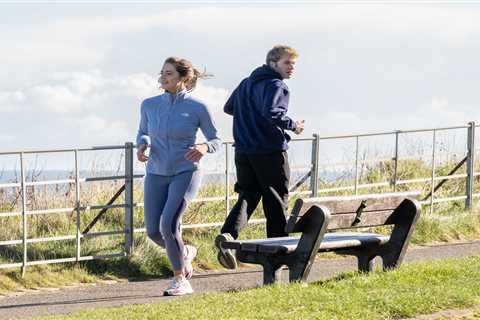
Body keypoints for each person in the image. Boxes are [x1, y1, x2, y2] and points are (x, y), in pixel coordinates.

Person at [136, 57, 221, 296]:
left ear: (184, 78)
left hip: (186, 171)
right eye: (162, 72)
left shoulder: (197, 107)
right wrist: (142, 145)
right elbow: (142, 132)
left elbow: (216, 140)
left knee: (169, 225)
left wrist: (204, 148)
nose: (162, 77)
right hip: (155, 171)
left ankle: (180, 279)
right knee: (153, 231)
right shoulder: (149, 104)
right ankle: (184, 252)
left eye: (169, 74)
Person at [215, 45, 304, 269]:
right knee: (276, 200)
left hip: (244, 150)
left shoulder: (247, 82)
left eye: (293, 64)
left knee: (248, 195)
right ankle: (278, 253)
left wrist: (249, 119)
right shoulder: (277, 85)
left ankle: (228, 237)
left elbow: (229, 107)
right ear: (273, 63)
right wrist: (293, 125)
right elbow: (273, 113)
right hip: (269, 151)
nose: (291, 68)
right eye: (287, 63)